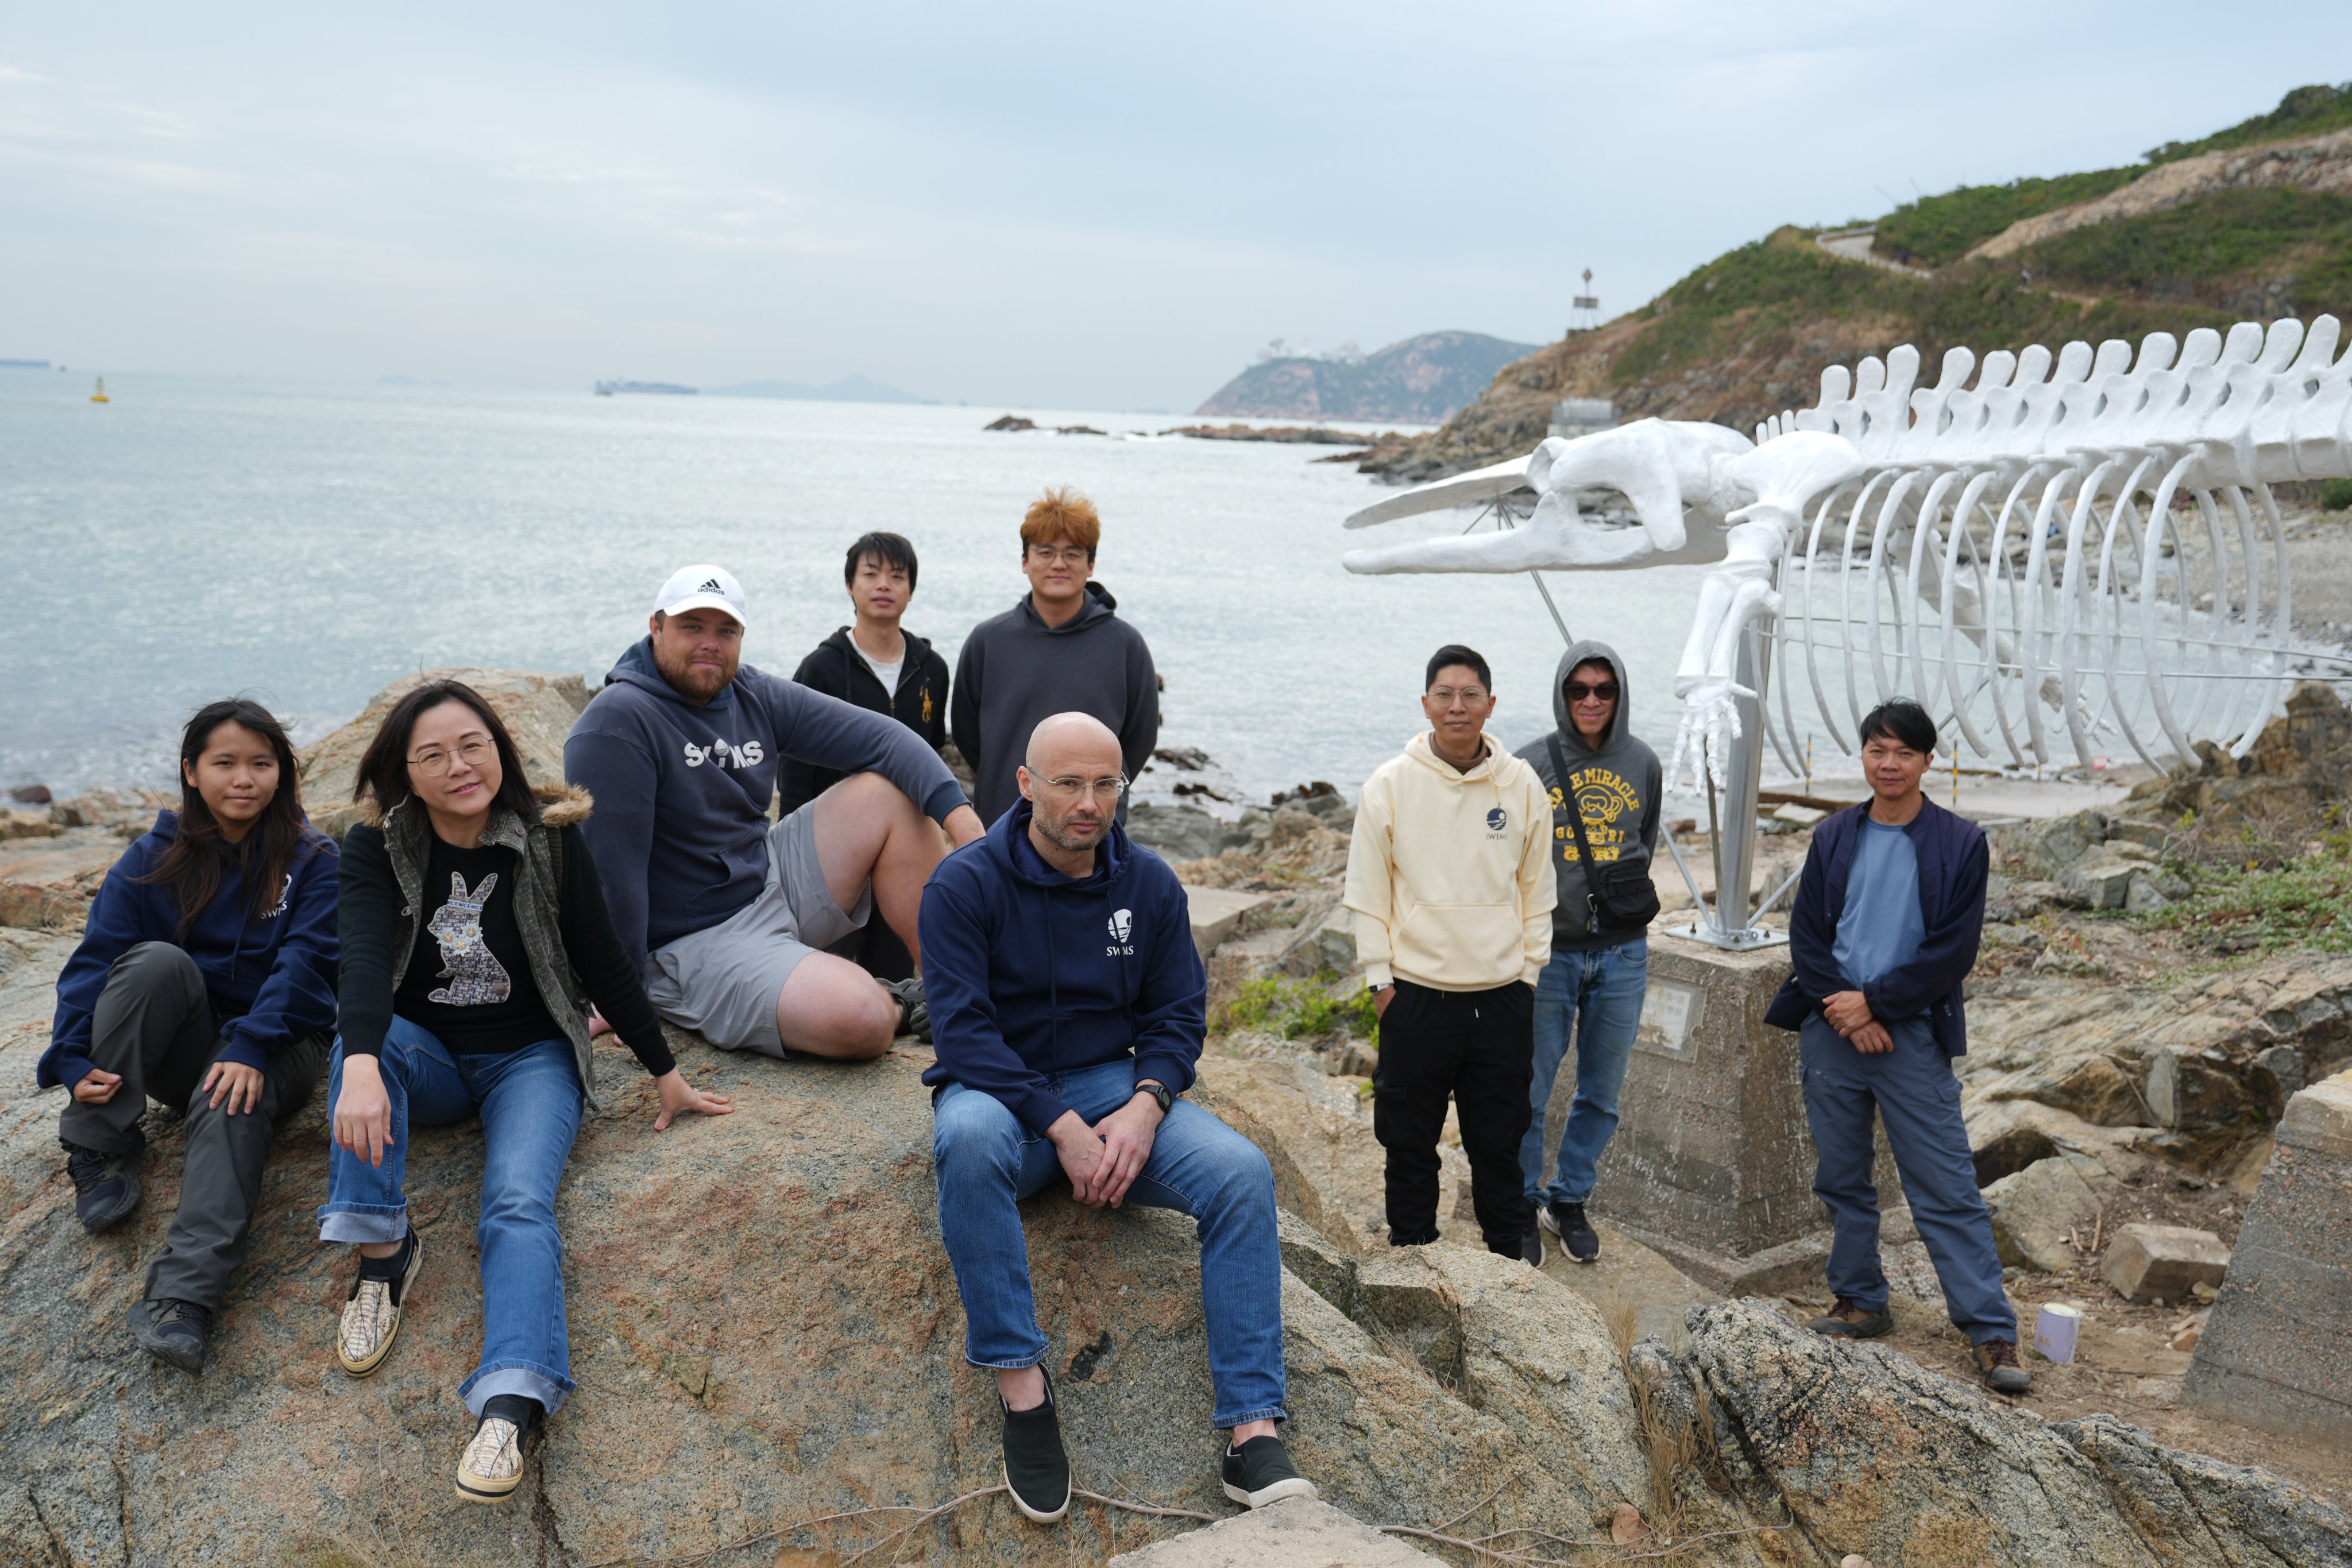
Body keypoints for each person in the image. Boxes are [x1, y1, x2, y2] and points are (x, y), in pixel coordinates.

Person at [322, 679, 733, 1504]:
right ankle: (382, 1256)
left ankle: (511, 1397)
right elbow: (364, 958)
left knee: (515, 1200)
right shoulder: (377, 846)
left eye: (471, 743)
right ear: (404, 771)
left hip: (531, 1058)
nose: (457, 766)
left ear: (499, 747)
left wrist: (664, 1071)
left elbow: (602, 956)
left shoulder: (546, 837)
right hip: (427, 1056)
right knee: (362, 1048)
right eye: (431, 755)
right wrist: (361, 1060)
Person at [921, 713, 1315, 1522]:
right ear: (1024, 783)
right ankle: (1023, 1391)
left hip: (1113, 1083)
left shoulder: (1149, 885)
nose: (1087, 802)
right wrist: (1059, 1125)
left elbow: (1176, 1017)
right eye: (1067, 782)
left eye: (1105, 783)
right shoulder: (963, 884)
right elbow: (961, 1032)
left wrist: (1145, 1106)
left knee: (1241, 1172)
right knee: (963, 1141)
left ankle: (1250, 1429)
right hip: (1001, 1092)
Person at [564, 565, 983, 1062]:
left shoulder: (749, 694)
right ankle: (898, 999)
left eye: (726, 631)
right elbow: (613, 876)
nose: (710, 644)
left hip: (766, 881)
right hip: (692, 941)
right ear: (656, 628)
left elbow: (886, 740)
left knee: (888, 794)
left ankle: (951, 988)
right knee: (863, 1020)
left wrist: (966, 828)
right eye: (691, 627)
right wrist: (620, 994)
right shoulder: (618, 721)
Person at [40, 700, 338, 1373]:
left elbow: (308, 968)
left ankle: (183, 1300)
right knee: (154, 963)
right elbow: (96, 962)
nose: (244, 779)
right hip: (186, 1043)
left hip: (282, 1046)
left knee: (233, 1096)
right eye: (224, 763)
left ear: (283, 774)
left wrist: (251, 1046)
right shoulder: (153, 857)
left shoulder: (314, 860)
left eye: (262, 764)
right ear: (191, 772)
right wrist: (72, 1055)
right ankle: (100, 1144)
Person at [1763, 699, 2030, 1396]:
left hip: (1908, 1031)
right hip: (1832, 1026)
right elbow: (1808, 941)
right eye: (1878, 750)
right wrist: (1848, 1012)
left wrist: (1876, 1005)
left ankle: (1990, 1331)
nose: (1889, 764)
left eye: (1903, 753)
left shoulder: (1960, 841)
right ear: (1864, 757)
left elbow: (1952, 952)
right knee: (1843, 1179)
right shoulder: (1834, 836)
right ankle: (1860, 1300)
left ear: (1926, 761)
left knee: (1945, 1185)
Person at [1343, 646, 1555, 1261]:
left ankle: (1503, 1266)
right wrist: (1381, 984)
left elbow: (1538, 890)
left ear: (1491, 704)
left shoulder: (1520, 785)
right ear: (1426, 704)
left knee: (1499, 1144)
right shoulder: (1390, 784)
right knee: (1408, 1144)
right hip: (1414, 997)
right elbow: (1368, 892)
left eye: (1469, 695)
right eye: (1444, 694)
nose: (1456, 706)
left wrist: (1529, 978)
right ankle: (1414, 1259)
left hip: (1502, 999)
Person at [1512, 644, 1660, 1265]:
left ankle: (1568, 1199)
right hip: (1548, 955)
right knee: (1528, 1088)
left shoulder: (1642, 762)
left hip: (1622, 955)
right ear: (1562, 694)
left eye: (1604, 690)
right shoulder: (1528, 765)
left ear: (1620, 695)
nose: (1592, 701)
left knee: (1601, 1092)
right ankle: (1518, 1201)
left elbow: (1643, 841)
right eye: (1580, 690)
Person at [777, 531, 953, 983]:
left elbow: (931, 751)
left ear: (910, 590)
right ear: (850, 585)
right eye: (870, 574)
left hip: (906, 847)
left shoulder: (931, 669)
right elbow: (794, 767)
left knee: (895, 971)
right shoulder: (821, 667)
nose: (883, 585)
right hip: (837, 848)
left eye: (897, 576)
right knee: (829, 971)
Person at [950, 488, 1158, 827]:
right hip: (1002, 821)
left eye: (1072, 554)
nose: (1058, 564)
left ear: (1091, 564)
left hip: (1092, 829)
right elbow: (968, 736)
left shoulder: (1125, 645)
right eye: (1045, 552)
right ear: (1024, 561)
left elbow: (1139, 740)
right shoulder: (988, 640)